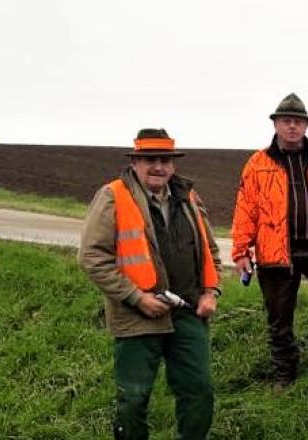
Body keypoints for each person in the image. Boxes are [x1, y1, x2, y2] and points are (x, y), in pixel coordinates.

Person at [78, 128, 223, 439]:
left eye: (165, 160)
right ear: (134, 161)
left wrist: (211, 292)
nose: (158, 166)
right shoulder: (112, 195)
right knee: (132, 400)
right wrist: (137, 297)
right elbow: (91, 257)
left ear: (173, 164)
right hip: (137, 317)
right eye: (149, 159)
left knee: (200, 392)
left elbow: (210, 250)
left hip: (188, 313)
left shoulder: (188, 197)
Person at [231, 93, 308, 392]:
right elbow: (245, 209)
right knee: (279, 316)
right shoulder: (257, 164)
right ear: (276, 124)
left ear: (305, 126)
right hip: (276, 253)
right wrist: (241, 251)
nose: (292, 126)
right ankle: (284, 373)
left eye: (298, 122)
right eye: (286, 121)